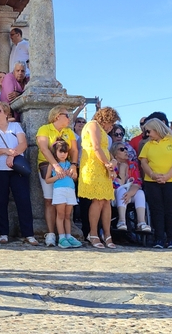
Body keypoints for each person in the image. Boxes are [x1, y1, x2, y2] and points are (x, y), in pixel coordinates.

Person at [0, 101, 34, 245]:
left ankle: (28, 233)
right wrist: (5, 151)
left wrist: (12, 155)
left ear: (6, 113)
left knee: (23, 200)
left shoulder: (16, 126)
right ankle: (3, 233)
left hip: (16, 169)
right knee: (0, 201)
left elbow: (23, 144)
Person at [35, 105, 79, 247]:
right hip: (48, 166)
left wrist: (73, 165)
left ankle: (65, 234)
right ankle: (51, 233)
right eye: (66, 115)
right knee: (49, 200)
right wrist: (55, 165)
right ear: (56, 116)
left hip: (66, 168)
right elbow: (43, 148)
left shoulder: (69, 132)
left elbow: (74, 151)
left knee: (65, 203)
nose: (69, 117)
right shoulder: (44, 129)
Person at [139, 119, 172, 249]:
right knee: (156, 210)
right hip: (152, 181)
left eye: (149, 131)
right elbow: (144, 162)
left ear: (157, 129)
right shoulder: (148, 145)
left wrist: (167, 176)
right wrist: (153, 175)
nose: (147, 134)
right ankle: (158, 239)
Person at [79, 106, 120, 249]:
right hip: (93, 166)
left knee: (106, 201)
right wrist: (108, 164)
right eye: (112, 122)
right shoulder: (92, 125)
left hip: (104, 166)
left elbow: (104, 150)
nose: (112, 126)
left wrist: (112, 163)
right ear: (106, 119)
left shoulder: (103, 131)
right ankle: (93, 233)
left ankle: (107, 234)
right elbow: (96, 147)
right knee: (97, 201)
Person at [44, 140, 81, 248]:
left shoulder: (70, 165)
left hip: (70, 190)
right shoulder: (53, 165)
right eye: (60, 151)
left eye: (65, 152)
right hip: (59, 190)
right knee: (60, 215)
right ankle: (61, 237)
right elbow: (47, 180)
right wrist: (58, 176)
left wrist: (73, 175)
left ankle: (68, 236)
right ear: (55, 152)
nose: (63, 154)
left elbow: (75, 178)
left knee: (67, 215)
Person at [110, 141, 149, 233]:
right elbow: (118, 185)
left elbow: (137, 182)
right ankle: (121, 221)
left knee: (140, 192)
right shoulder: (112, 165)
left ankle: (141, 223)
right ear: (115, 154)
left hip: (129, 194)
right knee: (121, 190)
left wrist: (130, 193)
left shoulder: (132, 165)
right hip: (113, 195)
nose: (126, 151)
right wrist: (122, 169)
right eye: (122, 149)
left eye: (126, 149)